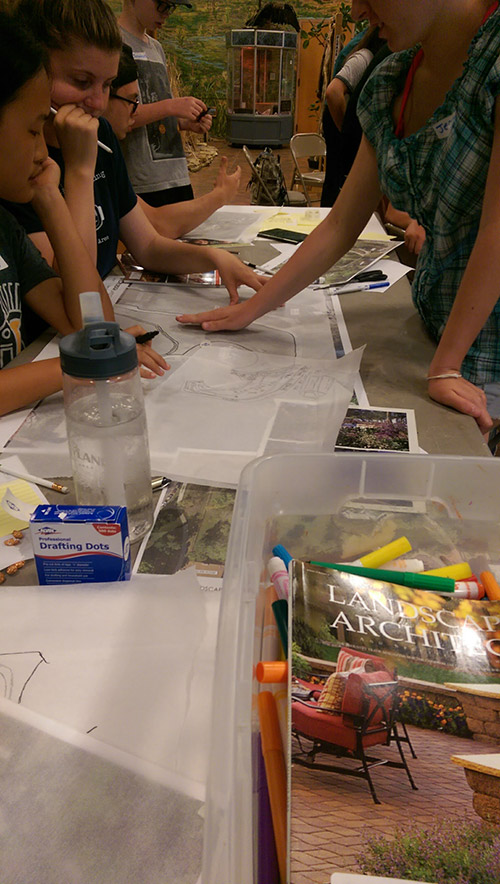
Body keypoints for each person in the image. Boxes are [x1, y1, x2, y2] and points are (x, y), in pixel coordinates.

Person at [177, 0, 500, 435]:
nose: (358, 11)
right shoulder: (392, 78)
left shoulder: (492, 58)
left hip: (481, 358)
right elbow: (340, 224)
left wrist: (446, 365)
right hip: (431, 330)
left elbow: (496, 227)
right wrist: (252, 310)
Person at [5, 0, 261, 304]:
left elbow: (148, 245)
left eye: (107, 85)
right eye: (82, 82)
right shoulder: (21, 164)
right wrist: (80, 170)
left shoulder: (101, 134)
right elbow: (74, 295)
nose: (98, 104)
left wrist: (214, 258)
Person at [0, 9, 166, 417]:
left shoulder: (5, 228)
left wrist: (50, 197)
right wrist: (84, 362)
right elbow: (91, 342)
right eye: (33, 130)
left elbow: (91, 322)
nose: (43, 151)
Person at [103, 44, 241, 239]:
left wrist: (181, 122)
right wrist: (220, 196)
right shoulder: (98, 154)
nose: (134, 112)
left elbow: (155, 230)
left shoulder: (106, 155)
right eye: (132, 102)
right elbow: (158, 225)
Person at [118, 0, 212, 207]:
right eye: (162, 4)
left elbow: (156, 112)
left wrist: (184, 123)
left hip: (176, 175)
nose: (166, 13)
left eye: (171, 6)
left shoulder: (156, 48)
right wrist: (171, 106)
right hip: (143, 183)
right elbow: (121, 117)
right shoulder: (113, 43)